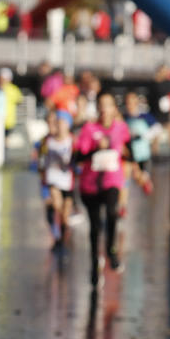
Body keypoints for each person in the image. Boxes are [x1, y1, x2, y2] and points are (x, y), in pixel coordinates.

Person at [75, 92, 130, 287]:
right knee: (95, 227)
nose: (104, 109)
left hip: (111, 180)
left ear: (114, 108)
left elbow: (129, 149)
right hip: (90, 184)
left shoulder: (121, 128)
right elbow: (78, 157)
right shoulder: (89, 129)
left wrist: (135, 160)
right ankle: (94, 266)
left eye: (108, 105)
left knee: (113, 212)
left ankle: (110, 250)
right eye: (101, 105)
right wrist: (95, 149)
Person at [40, 110, 75, 250]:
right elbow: (41, 161)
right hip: (53, 179)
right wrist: (42, 178)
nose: (58, 126)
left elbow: (78, 159)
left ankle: (64, 235)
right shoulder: (48, 141)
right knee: (57, 207)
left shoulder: (72, 140)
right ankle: (58, 237)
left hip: (68, 181)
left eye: (61, 122)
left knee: (65, 215)